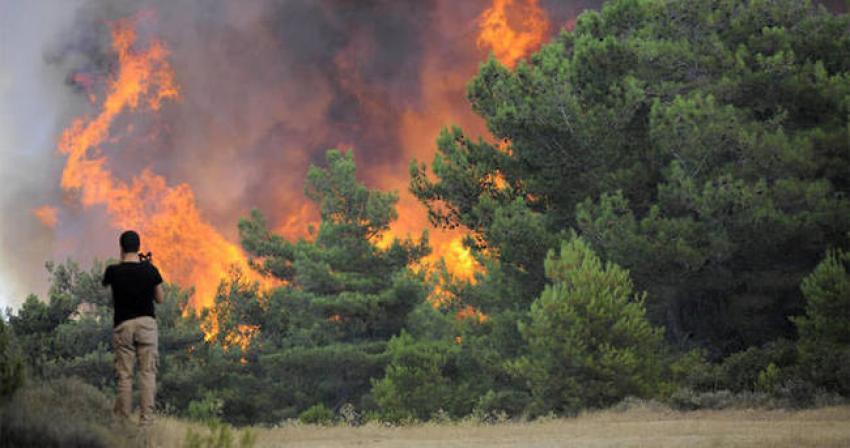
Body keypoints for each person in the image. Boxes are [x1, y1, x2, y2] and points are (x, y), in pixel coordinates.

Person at [102, 230, 164, 426]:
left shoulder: (113, 271)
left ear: (121, 248)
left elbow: (106, 292)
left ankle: (122, 422)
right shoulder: (150, 270)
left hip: (124, 326)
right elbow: (160, 299)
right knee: (147, 373)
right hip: (147, 325)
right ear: (138, 248)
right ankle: (146, 422)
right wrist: (149, 268)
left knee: (125, 375)